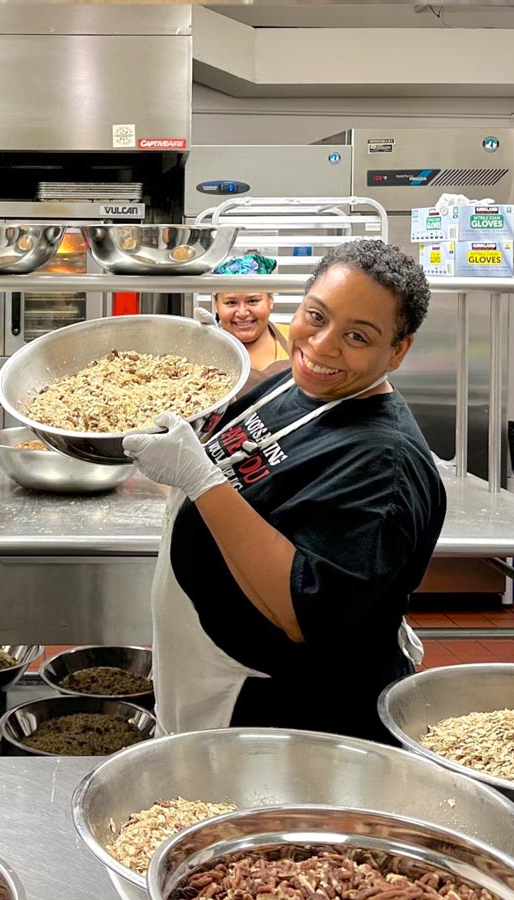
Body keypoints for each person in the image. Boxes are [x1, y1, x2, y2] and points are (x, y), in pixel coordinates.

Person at [123, 240, 447, 743]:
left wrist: (202, 480)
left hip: (281, 714)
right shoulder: (296, 384)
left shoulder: (385, 466)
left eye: (358, 336)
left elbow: (305, 608)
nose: (322, 345)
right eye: (316, 316)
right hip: (210, 675)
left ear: (398, 351)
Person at [211, 253, 290, 377]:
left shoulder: (297, 339)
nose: (242, 313)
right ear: (216, 305)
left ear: (270, 300)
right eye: (231, 303)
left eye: (252, 301)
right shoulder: (204, 349)